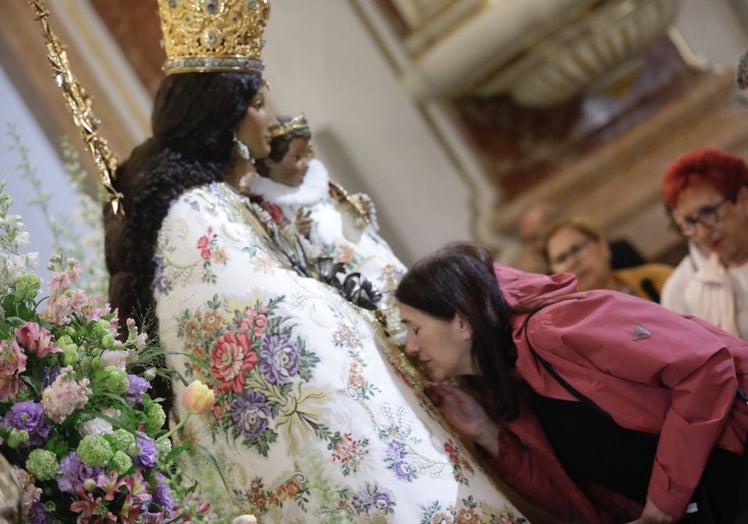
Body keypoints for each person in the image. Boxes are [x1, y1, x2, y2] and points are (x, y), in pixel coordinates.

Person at [103, 1, 526, 521]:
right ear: (226, 118)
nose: (272, 118)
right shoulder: (199, 209)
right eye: (258, 103)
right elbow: (288, 319)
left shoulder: (220, 200)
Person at [396, 241, 748, 524]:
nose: (410, 346)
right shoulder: (504, 383)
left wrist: (663, 503)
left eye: (414, 328)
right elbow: (576, 503)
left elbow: (704, 367)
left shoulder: (555, 327)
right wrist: (488, 434)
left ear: (462, 322)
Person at [250, 113, 406, 326]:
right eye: (297, 157)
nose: (306, 164)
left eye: (307, 154)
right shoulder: (270, 206)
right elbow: (284, 252)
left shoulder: (322, 185)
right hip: (344, 277)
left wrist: (357, 211)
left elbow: (349, 224)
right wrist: (295, 233)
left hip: (369, 257)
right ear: (270, 161)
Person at [662, 147, 748, 339]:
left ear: (743, 199)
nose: (702, 232)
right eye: (691, 222)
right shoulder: (682, 290)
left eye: (708, 212)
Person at [541, 215, 672, 302]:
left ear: (603, 247)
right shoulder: (570, 328)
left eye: (577, 249)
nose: (573, 262)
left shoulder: (655, 278)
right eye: (561, 259)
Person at [514, 200, 645, 274]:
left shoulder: (619, 252)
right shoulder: (549, 286)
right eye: (561, 259)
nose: (573, 263)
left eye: (536, 237)